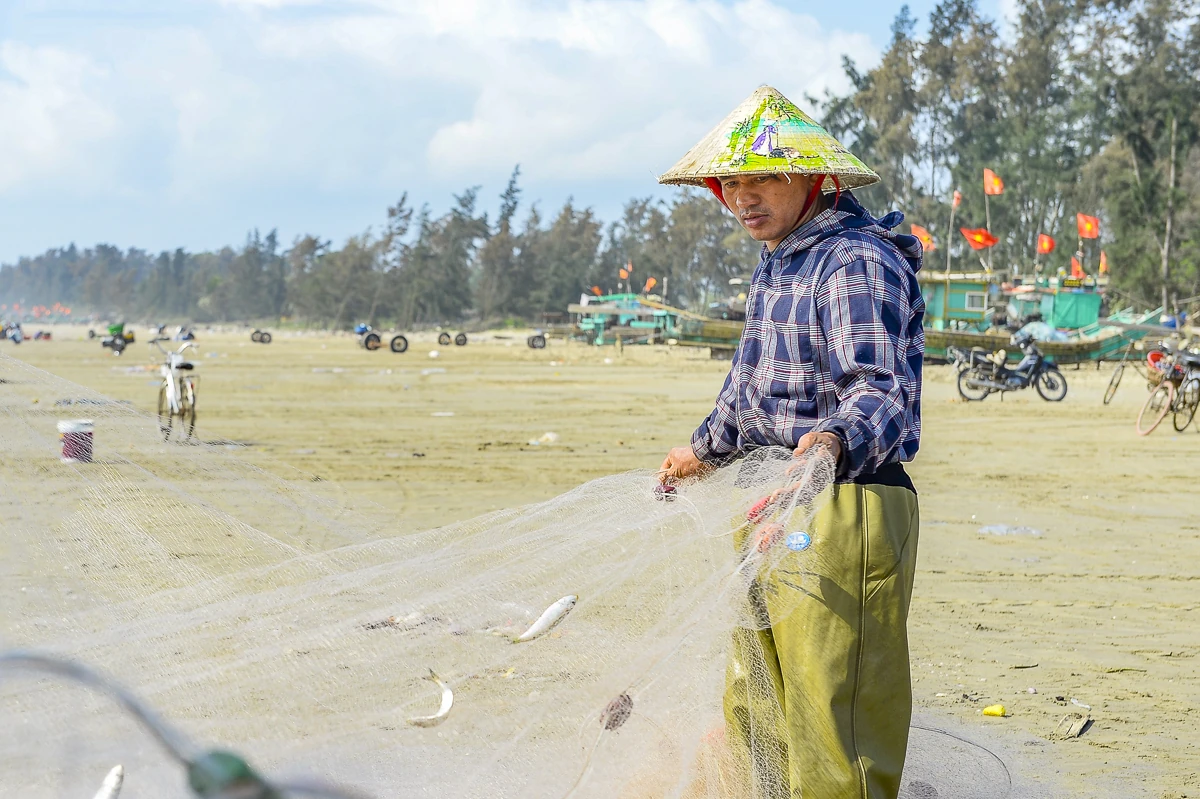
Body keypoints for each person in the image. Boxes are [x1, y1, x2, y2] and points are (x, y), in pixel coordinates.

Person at [656, 86, 925, 799]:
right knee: (759, 705)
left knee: (832, 712)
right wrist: (704, 451)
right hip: (770, 496)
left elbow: (881, 390)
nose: (744, 196)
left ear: (811, 178)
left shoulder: (853, 260)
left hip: (844, 502)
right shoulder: (779, 259)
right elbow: (750, 387)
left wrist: (831, 441)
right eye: (732, 181)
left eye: (763, 178)